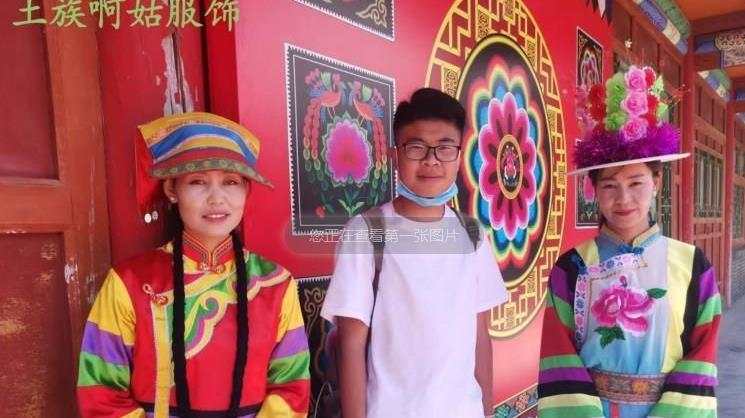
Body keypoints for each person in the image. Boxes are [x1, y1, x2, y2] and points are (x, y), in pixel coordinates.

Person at [77, 112, 310, 418]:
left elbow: (292, 388)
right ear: (172, 190)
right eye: (198, 181)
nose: (217, 198)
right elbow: (100, 393)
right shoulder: (129, 283)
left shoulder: (276, 284)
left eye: (231, 182)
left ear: (246, 190)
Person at [538, 66, 721, 418]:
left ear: (657, 182)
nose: (623, 199)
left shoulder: (693, 264)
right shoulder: (571, 267)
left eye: (636, 183)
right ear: (594, 189)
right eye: (609, 185)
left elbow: (702, 353)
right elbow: (559, 353)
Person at [320, 88, 508, 418]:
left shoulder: (472, 234)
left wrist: (487, 411)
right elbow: (351, 344)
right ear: (395, 156)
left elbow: (480, 335)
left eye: (445, 147)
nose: (431, 160)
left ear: (459, 155)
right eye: (416, 147)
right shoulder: (367, 232)